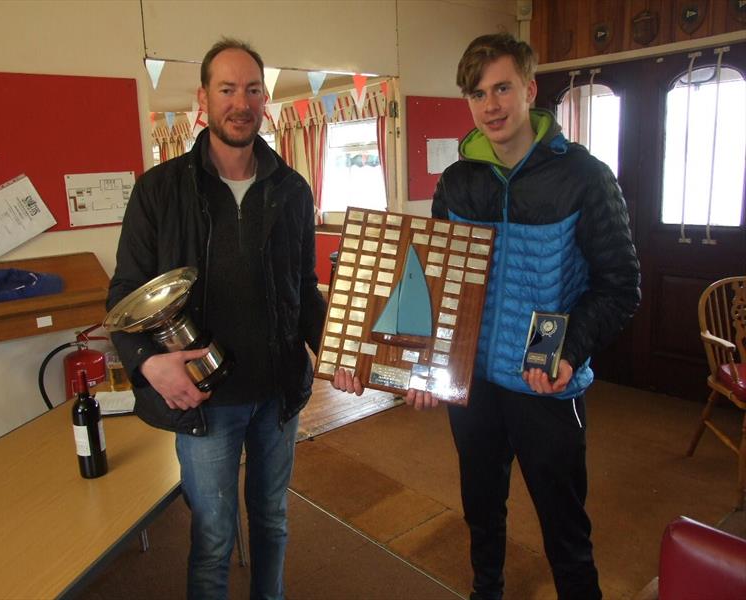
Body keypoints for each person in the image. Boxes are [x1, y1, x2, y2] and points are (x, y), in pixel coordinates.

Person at [333, 33, 640, 600]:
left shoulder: (584, 178)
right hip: (473, 386)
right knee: (480, 511)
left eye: (502, 88)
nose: (491, 105)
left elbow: (620, 286)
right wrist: (424, 368)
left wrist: (569, 351)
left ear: (529, 88)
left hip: (546, 386)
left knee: (564, 526)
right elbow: (436, 285)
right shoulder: (456, 182)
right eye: (477, 93)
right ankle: (486, 592)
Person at [107, 38, 328, 600]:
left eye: (253, 89)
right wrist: (149, 366)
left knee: (273, 520)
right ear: (203, 99)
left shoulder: (292, 190)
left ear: (264, 100)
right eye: (227, 89)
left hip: (278, 394)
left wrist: (341, 348)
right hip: (205, 405)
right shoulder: (159, 190)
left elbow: (303, 289)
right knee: (211, 536)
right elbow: (125, 295)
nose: (241, 102)